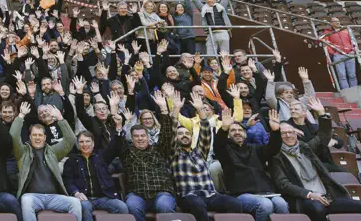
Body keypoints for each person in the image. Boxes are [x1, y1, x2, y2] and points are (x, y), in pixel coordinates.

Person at [271, 106, 361, 221]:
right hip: (304, 199)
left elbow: (323, 137)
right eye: (283, 133)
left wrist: (322, 115)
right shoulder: (276, 156)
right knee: (317, 209)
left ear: (296, 133)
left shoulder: (305, 147)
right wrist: (310, 194)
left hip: (326, 197)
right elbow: (283, 184)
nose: (288, 136)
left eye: (290, 132)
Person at [10, 102, 84, 221]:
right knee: (26, 200)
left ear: (45, 137)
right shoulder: (23, 152)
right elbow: (13, 136)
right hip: (33, 197)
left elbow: (70, 140)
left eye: (40, 135)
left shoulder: (52, 152)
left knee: (75, 203)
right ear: (30, 137)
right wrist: (21, 116)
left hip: (54, 197)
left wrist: (60, 118)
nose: (37, 138)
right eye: (34, 135)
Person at [214, 107, 288, 221]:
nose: (237, 132)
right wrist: (224, 129)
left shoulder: (255, 149)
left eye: (240, 130)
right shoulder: (226, 152)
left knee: (282, 204)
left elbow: (273, 148)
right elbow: (218, 145)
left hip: (265, 192)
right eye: (233, 130)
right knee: (265, 205)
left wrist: (275, 131)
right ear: (228, 135)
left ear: (246, 134)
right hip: (241, 195)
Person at [169, 107, 243, 221]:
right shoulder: (174, 154)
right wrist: (176, 111)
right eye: (180, 133)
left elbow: (206, 134)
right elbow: (170, 134)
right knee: (197, 204)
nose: (184, 135)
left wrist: (201, 111)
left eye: (187, 133)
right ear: (175, 137)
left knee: (235, 204)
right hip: (188, 196)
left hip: (210, 195)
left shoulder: (200, 152)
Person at [121, 90, 178, 221]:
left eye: (142, 136)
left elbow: (167, 134)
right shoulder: (127, 151)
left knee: (164, 206)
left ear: (148, 137)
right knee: (132, 206)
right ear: (132, 139)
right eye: (136, 136)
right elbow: (118, 140)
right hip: (137, 195)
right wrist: (124, 122)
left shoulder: (159, 149)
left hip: (161, 193)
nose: (140, 139)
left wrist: (163, 109)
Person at [63, 130, 130, 221]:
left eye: (87, 141)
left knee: (122, 207)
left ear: (93, 143)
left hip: (103, 197)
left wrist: (118, 132)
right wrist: (76, 192)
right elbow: (68, 181)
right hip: (85, 199)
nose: (84, 144)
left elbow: (114, 147)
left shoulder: (101, 156)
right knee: (84, 207)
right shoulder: (71, 161)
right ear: (78, 145)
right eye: (81, 142)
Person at [321, 18, 358, 89]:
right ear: (331, 23)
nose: (338, 23)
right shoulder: (327, 32)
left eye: (338, 21)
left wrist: (353, 50)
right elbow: (326, 44)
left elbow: (353, 40)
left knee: (352, 75)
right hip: (338, 55)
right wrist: (334, 53)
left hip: (349, 53)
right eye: (335, 22)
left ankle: (355, 90)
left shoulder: (346, 30)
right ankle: (347, 92)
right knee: (342, 76)